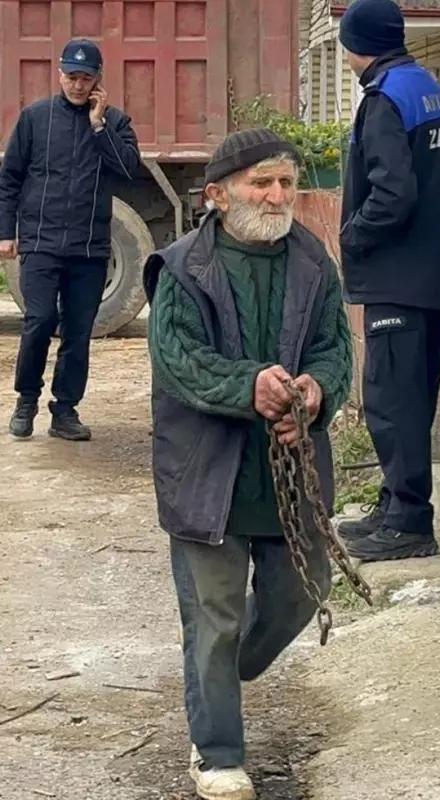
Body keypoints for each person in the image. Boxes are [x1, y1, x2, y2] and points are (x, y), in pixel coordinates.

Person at [144, 128, 352, 800]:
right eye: (262, 182)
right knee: (215, 614)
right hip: (207, 473)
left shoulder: (313, 263)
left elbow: (334, 350)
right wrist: (248, 386)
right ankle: (217, 752)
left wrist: (316, 393)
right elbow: (178, 361)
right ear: (217, 194)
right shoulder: (182, 268)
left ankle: (221, 677)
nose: (277, 195)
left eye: (286, 182)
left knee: (302, 590)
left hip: (289, 472)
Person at [336, 0, 440, 562]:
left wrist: (353, 235)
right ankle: (395, 506)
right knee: (413, 399)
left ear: (354, 43)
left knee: (391, 400)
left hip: (398, 277)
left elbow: (392, 193)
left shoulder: (385, 97)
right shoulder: (430, 90)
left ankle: (409, 523)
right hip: (434, 276)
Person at [0, 38, 141, 441]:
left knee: (78, 333)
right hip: (42, 244)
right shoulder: (35, 119)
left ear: (98, 80)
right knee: (39, 321)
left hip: (90, 249)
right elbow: (9, 179)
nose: (78, 86)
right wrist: (5, 233)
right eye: (71, 77)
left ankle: (65, 411)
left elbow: (128, 167)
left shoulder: (114, 123)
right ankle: (25, 401)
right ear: (60, 75)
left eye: (86, 78)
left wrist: (98, 126)